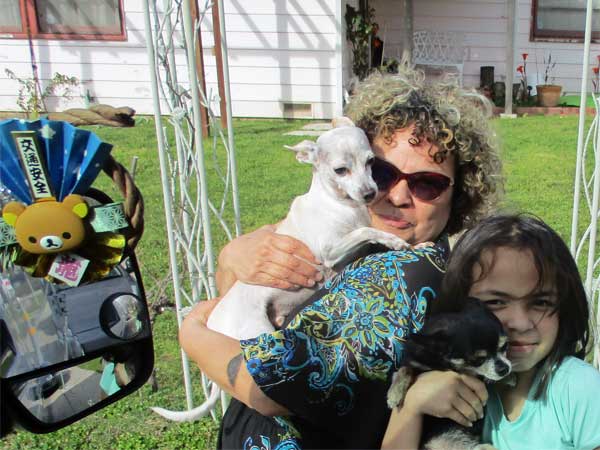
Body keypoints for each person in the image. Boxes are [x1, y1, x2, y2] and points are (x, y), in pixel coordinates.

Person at [179, 64, 502, 449]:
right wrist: (233, 257)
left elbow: (270, 388)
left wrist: (193, 335)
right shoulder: (359, 245)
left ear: (460, 193)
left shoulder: (411, 274)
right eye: (381, 171)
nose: (396, 196)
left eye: (427, 184)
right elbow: (249, 303)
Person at [383, 214, 600, 450]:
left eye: (541, 302)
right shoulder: (443, 380)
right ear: (459, 304)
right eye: (495, 302)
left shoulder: (578, 387)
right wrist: (412, 405)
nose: (520, 323)